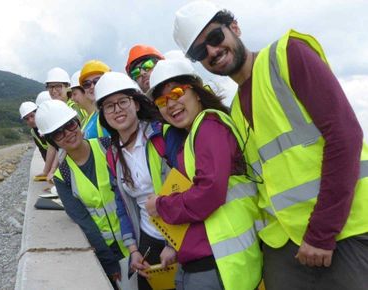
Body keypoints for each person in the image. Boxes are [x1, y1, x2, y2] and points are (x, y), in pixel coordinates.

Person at [173, 1, 368, 289]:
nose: (213, 52)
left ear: (234, 28)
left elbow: (345, 137)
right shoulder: (237, 109)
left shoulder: (287, 55)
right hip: (284, 243)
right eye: (201, 52)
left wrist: (321, 232)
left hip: (342, 231)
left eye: (215, 37)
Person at [144, 59, 262, 290]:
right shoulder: (193, 134)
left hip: (218, 265)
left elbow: (209, 193)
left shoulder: (209, 126)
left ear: (196, 92)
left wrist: (161, 206)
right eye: (161, 100)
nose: (171, 104)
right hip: (205, 262)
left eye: (177, 92)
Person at [35, 99, 134, 289]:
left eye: (70, 125)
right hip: (110, 251)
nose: (68, 134)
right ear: (52, 141)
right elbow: (84, 221)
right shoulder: (62, 176)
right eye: (58, 133)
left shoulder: (108, 146)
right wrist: (108, 261)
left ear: (77, 122)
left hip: (137, 239)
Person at [95, 72, 176, 290]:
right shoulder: (112, 154)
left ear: (137, 104)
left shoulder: (162, 136)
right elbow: (122, 205)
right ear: (103, 114)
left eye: (123, 101)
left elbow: (183, 188)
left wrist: (174, 243)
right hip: (148, 239)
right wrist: (133, 250)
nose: (117, 109)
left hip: (179, 236)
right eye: (109, 106)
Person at [78, 60, 111, 139]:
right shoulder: (93, 116)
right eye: (87, 84)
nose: (92, 86)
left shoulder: (113, 114)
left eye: (97, 81)